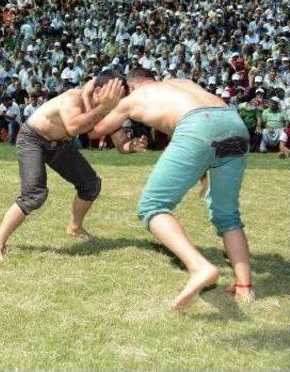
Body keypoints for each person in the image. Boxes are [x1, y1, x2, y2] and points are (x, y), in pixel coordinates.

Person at [88, 68, 254, 310]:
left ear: (131, 86)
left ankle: (200, 268)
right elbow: (207, 121)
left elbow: (94, 131)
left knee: (152, 207)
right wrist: (205, 166)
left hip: (198, 126)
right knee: (227, 214)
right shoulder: (181, 82)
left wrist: (103, 104)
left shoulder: (133, 99)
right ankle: (244, 288)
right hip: (233, 122)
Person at [0, 78, 131, 263]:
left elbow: (120, 142)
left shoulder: (103, 107)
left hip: (59, 144)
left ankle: (75, 228)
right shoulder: (73, 98)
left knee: (90, 185)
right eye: (116, 94)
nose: (118, 100)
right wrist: (103, 108)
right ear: (98, 90)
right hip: (33, 139)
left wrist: (131, 146)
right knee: (34, 195)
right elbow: (74, 127)